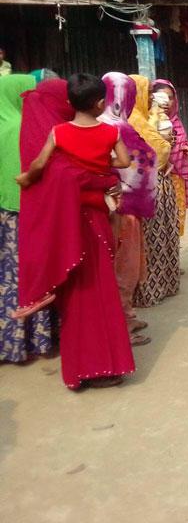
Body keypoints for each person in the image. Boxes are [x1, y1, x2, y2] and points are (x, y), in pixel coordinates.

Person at [16, 73, 136, 389]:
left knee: (80, 300)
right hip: (91, 224)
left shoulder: (55, 134)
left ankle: (81, 370)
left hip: (71, 225)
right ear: (100, 103)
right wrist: (105, 172)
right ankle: (102, 367)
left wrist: (27, 179)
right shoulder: (108, 132)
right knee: (98, 292)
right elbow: (122, 164)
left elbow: (39, 167)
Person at [0, 74, 55, 363]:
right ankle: (33, 341)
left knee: (5, 278)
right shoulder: (23, 128)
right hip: (23, 213)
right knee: (29, 275)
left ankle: (7, 342)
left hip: (3, 213)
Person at [100, 72, 157, 342]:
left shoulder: (99, 123)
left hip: (106, 207)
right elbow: (141, 166)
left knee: (119, 265)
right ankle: (122, 324)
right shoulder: (120, 128)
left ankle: (127, 316)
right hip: (124, 210)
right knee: (125, 267)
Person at [130, 74, 179, 308]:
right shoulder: (134, 120)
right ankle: (150, 289)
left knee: (164, 232)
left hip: (161, 180)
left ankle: (166, 283)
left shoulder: (148, 116)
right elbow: (158, 149)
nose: (151, 96)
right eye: (146, 91)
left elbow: (166, 144)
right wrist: (165, 146)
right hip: (148, 184)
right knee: (151, 239)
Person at [151, 80, 188, 236]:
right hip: (160, 178)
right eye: (161, 97)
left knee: (176, 220)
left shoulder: (176, 121)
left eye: (170, 97)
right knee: (161, 222)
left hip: (178, 177)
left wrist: (185, 148)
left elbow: (182, 141)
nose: (166, 102)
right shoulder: (149, 123)